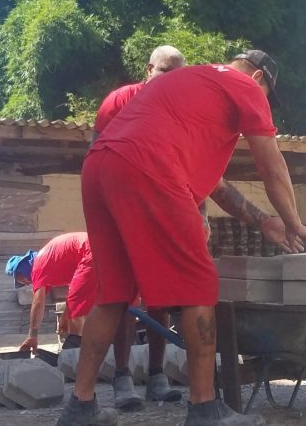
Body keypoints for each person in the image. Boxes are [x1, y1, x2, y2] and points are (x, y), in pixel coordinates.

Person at [56, 50, 306, 426]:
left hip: (100, 167)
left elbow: (216, 186)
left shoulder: (192, 83)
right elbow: (271, 165)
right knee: (199, 287)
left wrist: (264, 221)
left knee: (111, 293)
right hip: (149, 167)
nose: (264, 102)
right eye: (267, 93)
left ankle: (79, 406)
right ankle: (204, 409)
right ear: (259, 77)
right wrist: (294, 222)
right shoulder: (244, 86)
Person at [92, 44, 187, 411]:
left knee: (161, 295)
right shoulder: (119, 100)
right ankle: (121, 378)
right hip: (120, 209)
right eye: (166, 72)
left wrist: (199, 214)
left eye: (179, 76)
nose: (171, 82)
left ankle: (157, 377)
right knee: (122, 296)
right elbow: (97, 157)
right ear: (149, 69)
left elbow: (189, 165)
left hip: (161, 209)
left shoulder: (180, 112)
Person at [7, 232, 96, 353]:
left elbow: (38, 302)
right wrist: (65, 316)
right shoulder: (52, 262)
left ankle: (74, 350)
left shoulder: (38, 265)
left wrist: (32, 336)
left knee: (77, 312)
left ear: (23, 269)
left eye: (23, 280)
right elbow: (76, 292)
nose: (27, 283)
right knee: (105, 302)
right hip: (100, 247)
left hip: (90, 251)